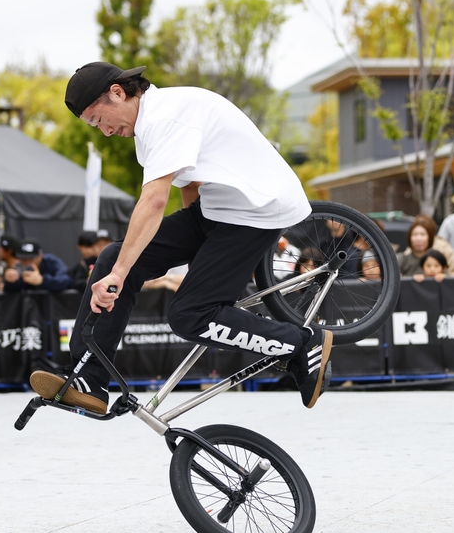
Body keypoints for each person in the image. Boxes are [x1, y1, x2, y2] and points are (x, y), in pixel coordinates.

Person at [29, 61, 330, 412]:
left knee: (190, 315)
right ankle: (90, 380)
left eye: (99, 120)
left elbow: (154, 201)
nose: (105, 132)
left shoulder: (164, 118)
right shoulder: (150, 126)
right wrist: (197, 259)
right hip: (219, 207)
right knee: (112, 257)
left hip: (257, 208)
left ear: (117, 92)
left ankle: (301, 343)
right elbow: (191, 187)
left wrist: (120, 276)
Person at [2, 239, 71, 293]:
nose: (27, 262)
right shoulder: (17, 268)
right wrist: (10, 282)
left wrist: (42, 280)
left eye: (30, 259)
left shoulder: (51, 263)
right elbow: (10, 293)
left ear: (40, 257)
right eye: (23, 259)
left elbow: (65, 280)